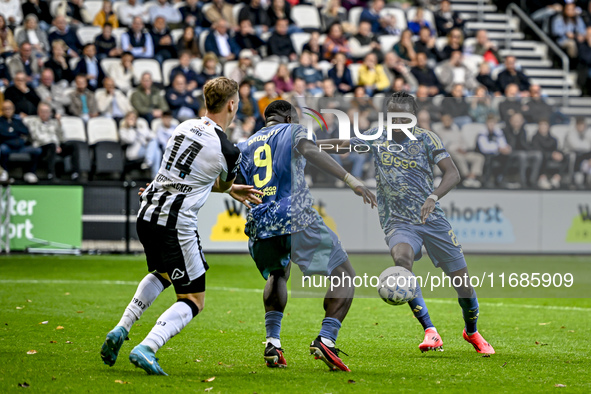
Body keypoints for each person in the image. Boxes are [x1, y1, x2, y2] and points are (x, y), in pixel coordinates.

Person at [100, 77, 263, 376]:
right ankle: (147, 346)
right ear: (232, 104)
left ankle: (121, 329)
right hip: (175, 225)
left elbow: (182, 176)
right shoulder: (229, 151)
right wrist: (231, 188)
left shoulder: (183, 127)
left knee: (161, 274)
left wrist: (228, 189)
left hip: (147, 213)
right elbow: (220, 182)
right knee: (192, 299)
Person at [318, 92, 495, 355]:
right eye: (391, 115)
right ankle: (430, 331)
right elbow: (344, 144)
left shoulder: (426, 138)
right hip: (398, 221)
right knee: (402, 263)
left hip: (431, 220)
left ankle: (472, 332)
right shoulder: (376, 136)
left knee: (463, 284)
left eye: (402, 115)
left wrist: (433, 197)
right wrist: (311, 144)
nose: (396, 120)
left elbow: (453, 173)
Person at [237, 99, 376, 370]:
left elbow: (235, 183)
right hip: (294, 216)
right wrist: (351, 180)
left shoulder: (246, 143)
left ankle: (272, 344)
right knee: (344, 274)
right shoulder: (294, 131)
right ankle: (327, 339)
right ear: (289, 117)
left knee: (278, 273)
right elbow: (310, 150)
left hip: (260, 223)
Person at [433, 113, 484, 188]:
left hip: (462, 151)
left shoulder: (456, 131)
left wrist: (463, 148)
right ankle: (466, 176)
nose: (447, 122)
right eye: (445, 120)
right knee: (459, 157)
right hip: (451, 153)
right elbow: (443, 146)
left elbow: (464, 143)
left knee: (479, 157)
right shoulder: (440, 132)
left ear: (451, 121)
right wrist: (456, 149)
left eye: (448, 120)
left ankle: (472, 177)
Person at [0, 100, 41, 183]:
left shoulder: (18, 121)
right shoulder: (0, 121)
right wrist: (15, 133)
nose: (8, 110)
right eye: (5, 109)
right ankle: (4, 172)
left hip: (20, 146)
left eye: (10, 108)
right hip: (7, 146)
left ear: (13, 109)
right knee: (2, 149)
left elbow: (25, 131)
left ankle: (30, 173)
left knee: (37, 150)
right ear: (2, 110)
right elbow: (2, 133)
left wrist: (10, 132)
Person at [24, 102, 63, 181]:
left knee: (74, 145)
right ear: (38, 112)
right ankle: (51, 174)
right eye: (42, 111)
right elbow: (37, 137)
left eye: (46, 111)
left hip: (53, 146)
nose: (44, 114)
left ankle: (76, 174)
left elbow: (61, 137)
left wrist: (59, 124)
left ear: (50, 113)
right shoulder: (33, 121)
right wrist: (54, 144)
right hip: (39, 145)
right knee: (52, 146)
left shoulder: (54, 122)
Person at [477, 114, 512, 188]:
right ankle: (487, 180)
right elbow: (484, 148)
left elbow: (502, 143)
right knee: (489, 158)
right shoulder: (482, 132)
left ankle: (501, 178)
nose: (491, 125)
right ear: (486, 123)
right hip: (483, 153)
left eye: (493, 123)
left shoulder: (498, 132)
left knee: (507, 156)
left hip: (495, 153)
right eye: (490, 123)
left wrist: (506, 148)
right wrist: (498, 148)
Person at [532, 119, 567, 189]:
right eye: (541, 126)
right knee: (540, 156)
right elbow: (537, 149)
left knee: (566, 157)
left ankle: (556, 178)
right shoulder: (535, 138)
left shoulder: (553, 139)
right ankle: (542, 178)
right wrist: (551, 154)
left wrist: (559, 154)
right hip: (543, 157)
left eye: (545, 126)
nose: (543, 128)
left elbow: (556, 148)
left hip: (552, 156)